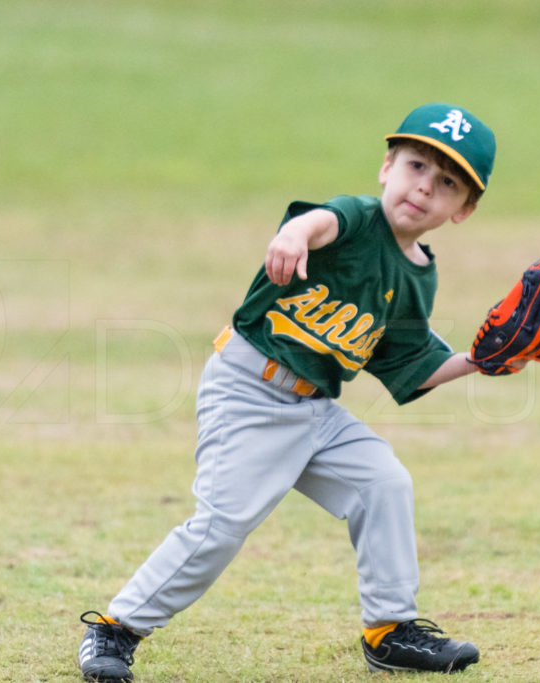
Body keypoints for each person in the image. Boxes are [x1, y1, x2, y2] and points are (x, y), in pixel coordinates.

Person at [78, 102, 498, 681]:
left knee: (383, 482)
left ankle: (389, 631)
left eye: (447, 182)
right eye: (415, 165)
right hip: (248, 390)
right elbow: (321, 221)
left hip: (314, 409)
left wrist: (483, 361)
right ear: (386, 168)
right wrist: (294, 234)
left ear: (464, 210)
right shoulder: (354, 218)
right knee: (223, 524)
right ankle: (115, 628)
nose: (424, 187)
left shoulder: (418, 272)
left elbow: (410, 363)